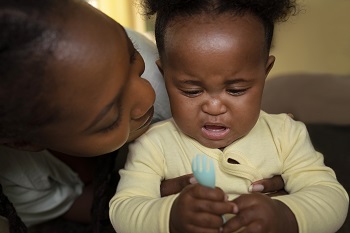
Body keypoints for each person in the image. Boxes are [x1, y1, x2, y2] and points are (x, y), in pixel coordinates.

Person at [0, 0, 285, 232]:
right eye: (111, 117)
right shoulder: (16, 173)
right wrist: (149, 202)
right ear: (24, 143)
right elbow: (64, 205)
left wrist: (266, 172)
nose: (146, 96)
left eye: (131, 61)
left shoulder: (161, 74)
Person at [109, 0, 349, 233]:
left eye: (236, 90)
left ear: (265, 72)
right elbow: (124, 210)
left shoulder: (286, 135)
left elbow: (331, 197)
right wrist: (170, 217)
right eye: (191, 91)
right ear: (165, 75)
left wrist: (284, 215)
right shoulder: (153, 144)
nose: (214, 108)